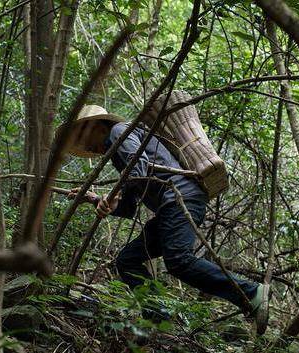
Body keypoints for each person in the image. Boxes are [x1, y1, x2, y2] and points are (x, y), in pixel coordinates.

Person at [63, 104, 268, 332]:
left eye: (84, 136)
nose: (87, 146)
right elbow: (129, 206)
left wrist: (112, 195)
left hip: (180, 197)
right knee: (127, 260)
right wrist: (96, 199)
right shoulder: (118, 148)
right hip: (170, 205)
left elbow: (137, 167)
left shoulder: (119, 132)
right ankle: (156, 316)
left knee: (178, 260)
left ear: (99, 126)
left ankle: (252, 292)